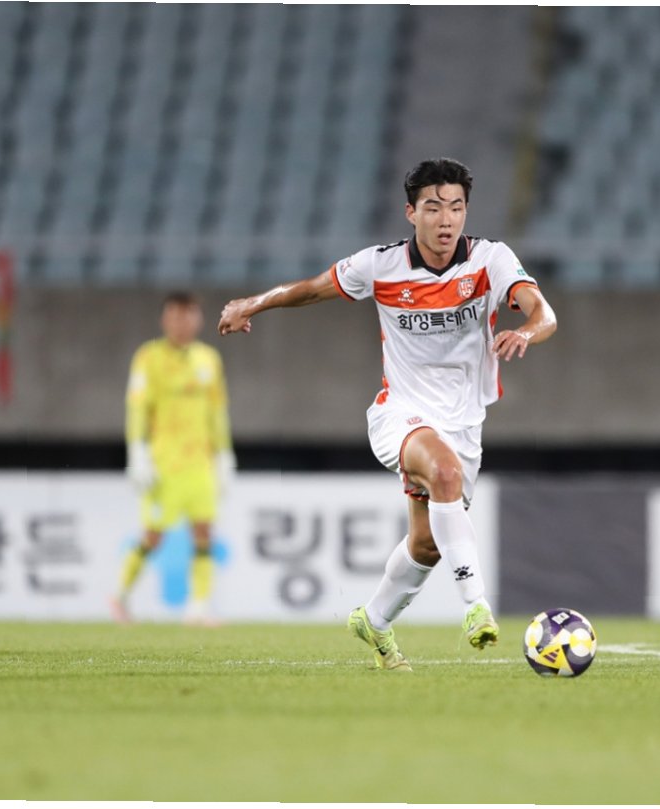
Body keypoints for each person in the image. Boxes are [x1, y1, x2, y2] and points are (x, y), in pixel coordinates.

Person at [217, 157, 557, 670]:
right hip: (400, 413)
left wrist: (525, 332)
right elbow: (311, 288)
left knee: (428, 543)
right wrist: (252, 303)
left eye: (456, 207)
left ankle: (373, 621)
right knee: (444, 472)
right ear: (411, 213)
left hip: (464, 423)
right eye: (433, 208)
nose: (446, 220)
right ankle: (477, 608)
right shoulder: (380, 266)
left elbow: (543, 313)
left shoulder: (491, 259)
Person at [110, 291, 236, 626]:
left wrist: (225, 454)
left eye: (189, 315)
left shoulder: (208, 359)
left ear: (199, 319)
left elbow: (217, 411)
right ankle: (120, 595)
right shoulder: (148, 358)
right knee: (153, 535)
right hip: (163, 462)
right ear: (165, 319)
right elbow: (137, 407)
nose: (182, 323)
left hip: (201, 462)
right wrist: (137, 451)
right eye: (176, 316)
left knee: (204, 531)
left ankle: (198, 606)